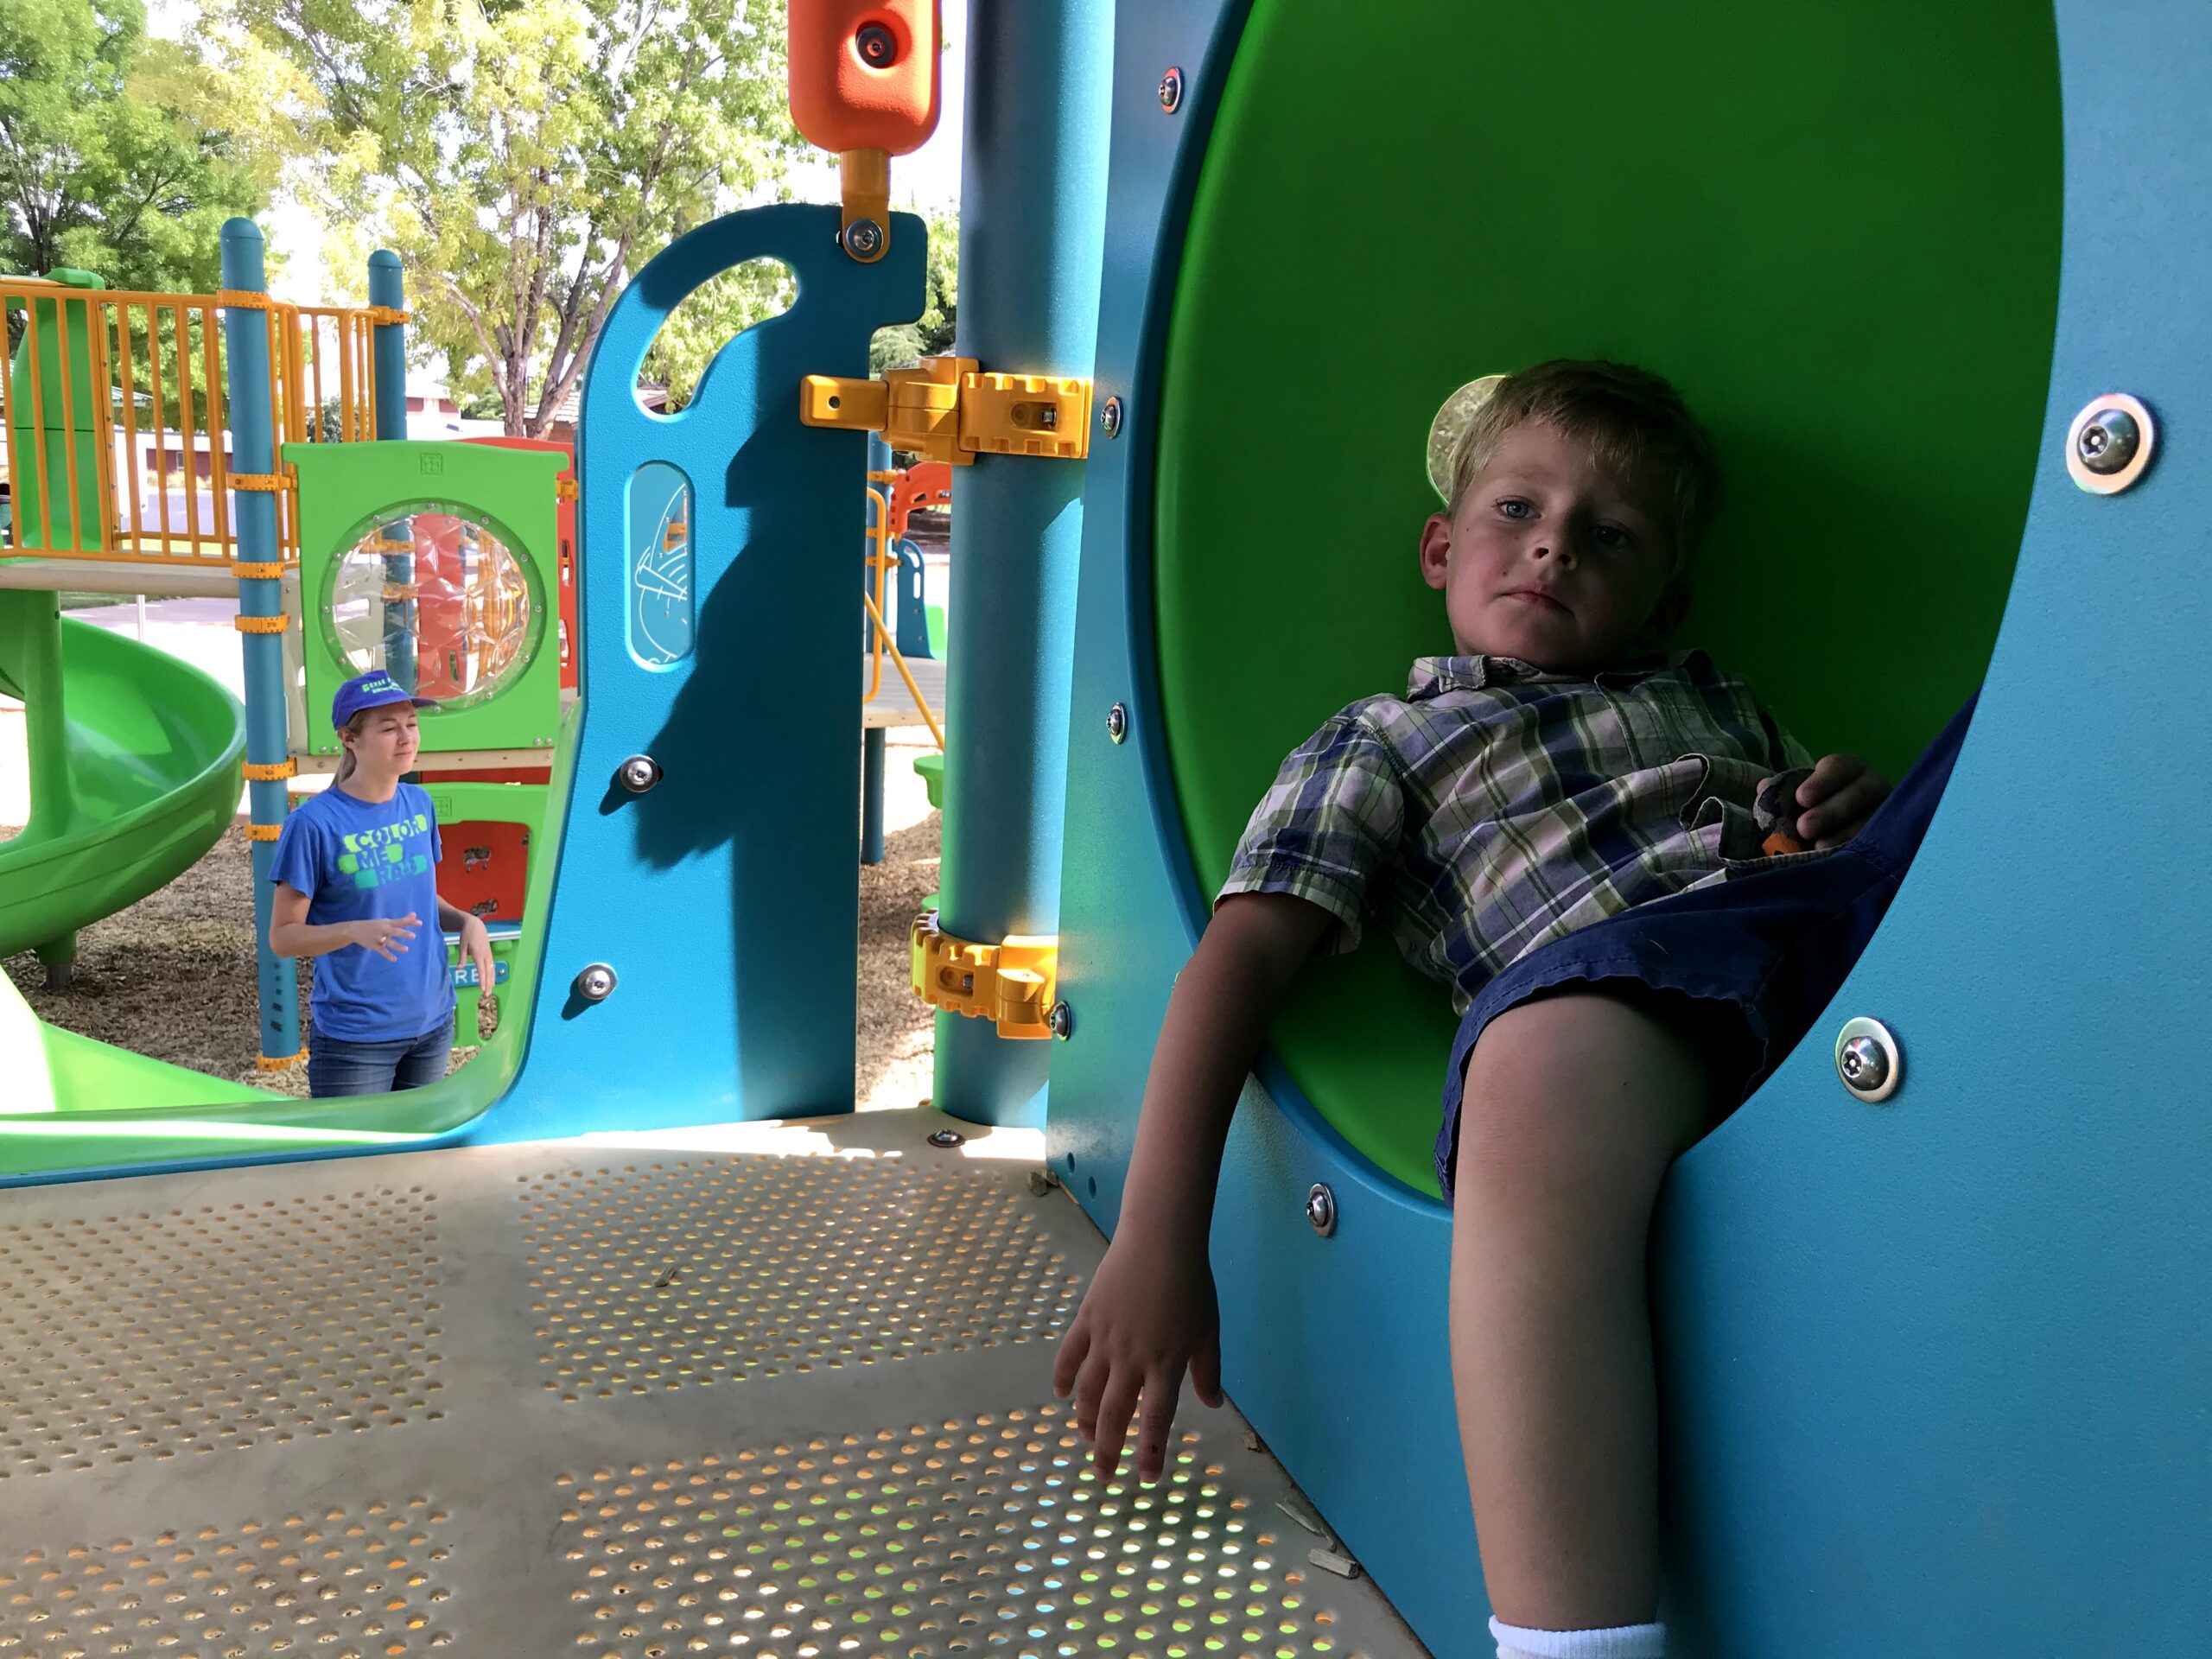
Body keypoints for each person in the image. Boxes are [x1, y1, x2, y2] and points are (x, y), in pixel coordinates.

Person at [1052, 361, 1976, 1659]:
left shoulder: (1717, 699)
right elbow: (1238, 961)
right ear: (1441, 549)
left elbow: (1819, 850)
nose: (1554, 546)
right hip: (1615, 977)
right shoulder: (1389, 736)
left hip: (1823, 925)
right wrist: (1158, 1237)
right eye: (1516, 510)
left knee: (1991, 744)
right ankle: (1570, 1643)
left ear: (1667, 598)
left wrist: (1843, 809)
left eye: (1611, 535)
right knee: (1527, 1064)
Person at [269, 671, 495, 1097]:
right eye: (389, 728)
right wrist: (353, 930)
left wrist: (467, 921)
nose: (406, 738)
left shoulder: (419, 804)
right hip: (356, 1039)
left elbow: (418, 897)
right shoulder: (312, 824)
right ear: (349, 739)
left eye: (411, 724)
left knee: (418, 1142)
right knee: (356, 1144)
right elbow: (282, 938)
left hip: (433, 1024)